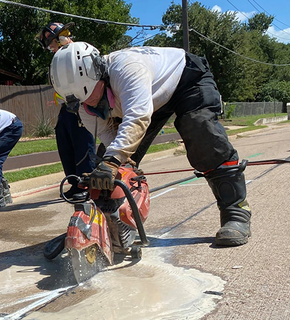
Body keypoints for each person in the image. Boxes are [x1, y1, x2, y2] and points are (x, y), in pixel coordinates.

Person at [50, 41, 252, 246]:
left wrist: (115, 159)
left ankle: (235, 212)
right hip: (148, 99)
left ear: (99, 73)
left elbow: (137, 117)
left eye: (92, 95)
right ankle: (108, 227)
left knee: (200, 130)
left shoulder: (126, 68)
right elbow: (108, 135)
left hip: (185, 79)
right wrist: (118, 162)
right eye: (83, 101)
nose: (90, 104)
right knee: (107, 166)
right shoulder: (81, 102)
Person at [36, 22, 96, 201]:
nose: (51, 49)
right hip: (66, 107)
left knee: (83, 144)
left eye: (53, 44)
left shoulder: (78, 52)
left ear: (61, 38)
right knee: (65, 145)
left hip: (82, 104)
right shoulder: (59, 59)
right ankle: (75, 182)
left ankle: (87, 183)